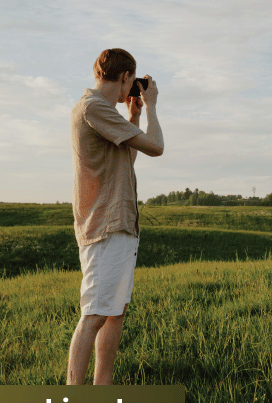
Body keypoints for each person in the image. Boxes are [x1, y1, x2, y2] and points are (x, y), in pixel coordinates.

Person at [67, 48, 164, 385]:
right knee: (94, 314)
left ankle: (101, 389)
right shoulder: (94, 107)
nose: (133, 91)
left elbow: (127, 163)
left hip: (118, 223)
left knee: (113, 313)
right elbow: (156, 146)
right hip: (105, 225)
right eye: (131, 83)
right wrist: (150, 107)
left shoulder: (104, 112)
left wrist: (134, 117)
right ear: (125, 76)